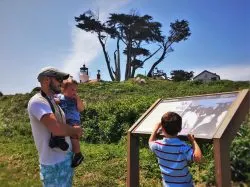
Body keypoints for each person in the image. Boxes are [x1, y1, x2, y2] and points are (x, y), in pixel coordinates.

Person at [28, 67, 82, 186]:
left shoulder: (52, 100)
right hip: (53, 163)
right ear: (46, 80)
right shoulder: (38, 101)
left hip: (64, 157)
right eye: (58, 79)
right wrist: (75, 131)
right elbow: (56, 128)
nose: (61, 83)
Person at [149, 112, 202, 187]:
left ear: (163, 129)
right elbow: (198, 158)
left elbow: (150, 142)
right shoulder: (182, 146)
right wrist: (193, 141)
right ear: (180, 129)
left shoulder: (157, 146)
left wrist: (155, 129)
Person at [51, 79, 85, 168]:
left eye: (76, 90)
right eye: (72, 89)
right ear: (63, 89)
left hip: (74, 121)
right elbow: (51, 101)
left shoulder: (75, 99)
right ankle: (58, 139)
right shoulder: (59, 96)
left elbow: (81, 109)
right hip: (63, 120)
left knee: (74, 135)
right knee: (56, 125)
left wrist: (77, 98)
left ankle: (78, 154)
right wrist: (55, 101)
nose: (74, 92)